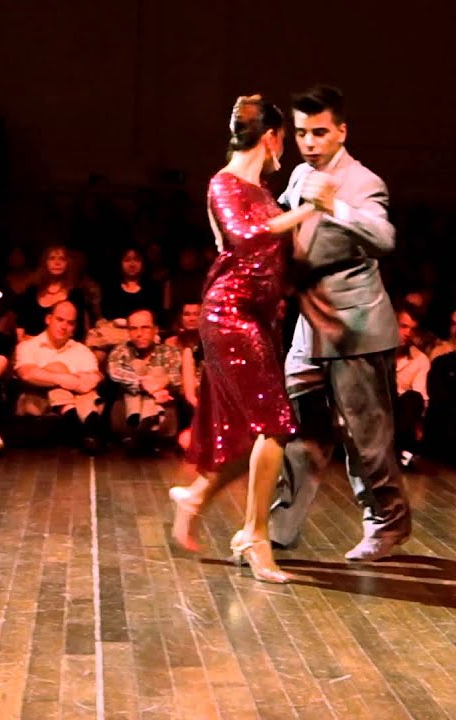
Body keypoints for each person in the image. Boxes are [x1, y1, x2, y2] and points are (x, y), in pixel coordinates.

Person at [168, 95, 316, 584]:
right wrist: (311, 208)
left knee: (256, 432)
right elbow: (248, 237)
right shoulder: (225, 183)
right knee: (275, 424)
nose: (286, 153)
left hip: (259, 316)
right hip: (229, 314)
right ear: (271, 137)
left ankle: (197, 497)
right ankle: (254, 536)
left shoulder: (263, 189)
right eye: (285, 141)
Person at [268, 85, 411, 561]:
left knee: (364, 435)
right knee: (297, 428)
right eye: (303, 132)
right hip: (310, 323)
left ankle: (386, 524)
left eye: (320, 132)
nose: (309, 141)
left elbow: (385, 237)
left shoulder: (363, 181)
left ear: (341, 131)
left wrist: (335, 207)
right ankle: (281, 527)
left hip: (356, 323)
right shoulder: (299, 174)